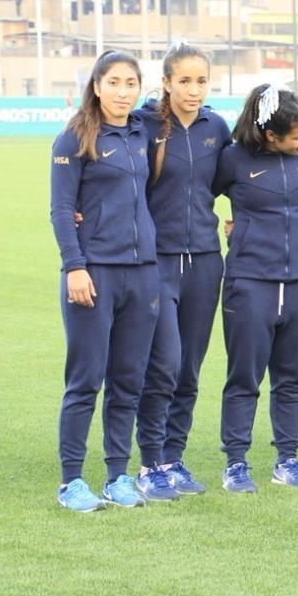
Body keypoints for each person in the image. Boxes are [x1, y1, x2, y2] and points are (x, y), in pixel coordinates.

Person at [115, 43, 232, 501]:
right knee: (162, 364)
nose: (193, 89)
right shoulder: (143, 126)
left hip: (205, 259)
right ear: (165, 82)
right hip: (154, 261)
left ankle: (173, 459)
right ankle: (148, 464)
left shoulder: (216, 128)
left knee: (190, 370)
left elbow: (233, 180)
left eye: (201, 81)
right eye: (184, 80)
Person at [50, 50, 160, 511]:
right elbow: (61, 209)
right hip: (92, 275)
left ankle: (119, 475)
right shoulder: (73, 138)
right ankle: (71, 480)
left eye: (130, 83)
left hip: (142, 274)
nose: (122, 91)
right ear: (96, 87)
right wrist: (75, 265)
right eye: (113, 82)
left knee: (128, 380)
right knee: (85, 380)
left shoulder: (142, 132)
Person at [213, 84, 298, 493]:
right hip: (250, 281)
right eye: (295, 136)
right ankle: (236, 463)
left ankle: (288, 458)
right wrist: (239, 229)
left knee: (292, 377)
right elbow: (191, 197)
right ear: (268, 135)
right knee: (244, 377)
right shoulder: (231, 159)